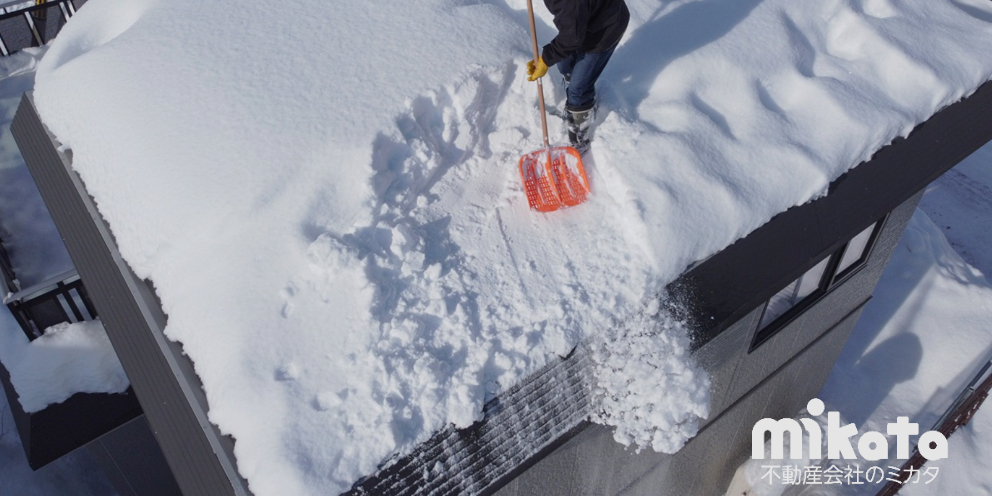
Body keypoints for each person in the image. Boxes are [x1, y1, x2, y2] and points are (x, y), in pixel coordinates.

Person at [527, 0, 630, 152]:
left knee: (578, 88)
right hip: (587, 21)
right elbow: (572, 32)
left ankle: (579, 137)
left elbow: (571, 38)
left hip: (606, 29)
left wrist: (546, 59)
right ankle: (579, 97)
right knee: (564, 65)